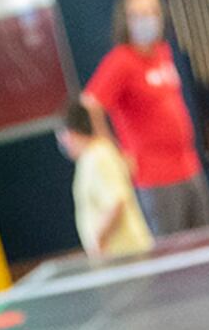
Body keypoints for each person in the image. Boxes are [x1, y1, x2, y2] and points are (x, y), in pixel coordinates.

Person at [84, 0, 209, 238]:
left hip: (189, 167)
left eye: (153, 12)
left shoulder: (162, 52)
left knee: (207, 243)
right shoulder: (120, 61)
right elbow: (90, 104)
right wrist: (116, 154)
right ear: (127, 19)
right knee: (174, 255)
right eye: (140, 14)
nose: (149, 19)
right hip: (156, 178)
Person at [58, 101, 152, 260]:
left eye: (61, 136)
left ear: (69, 134)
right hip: (114, 258)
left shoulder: (100, 156)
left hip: (126, 256)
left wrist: (98, 240)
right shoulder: (87, 159)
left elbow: (116, 203)